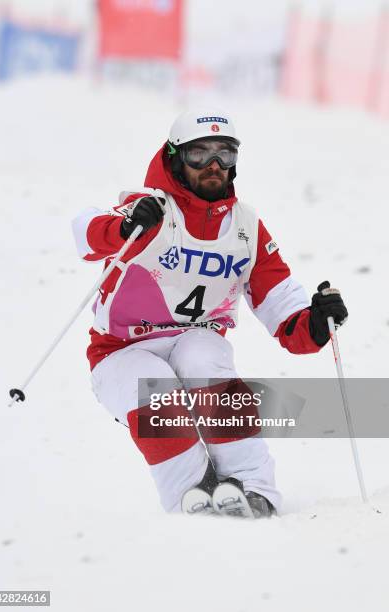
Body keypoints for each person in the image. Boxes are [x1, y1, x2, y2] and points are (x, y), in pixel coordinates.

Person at [72, 108, 348, 518]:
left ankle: (253, 487)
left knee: (204, 356)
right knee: (154, 388)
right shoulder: (149, 209)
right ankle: (192, 493)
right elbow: (86, 231)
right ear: (175, 159)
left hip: (194, 337)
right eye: (200, 154)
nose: (214, 166)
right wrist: (124, 227)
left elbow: (282, 306)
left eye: (226, 154)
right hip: (120, 350)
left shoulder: (246, 226)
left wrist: (316, 320)